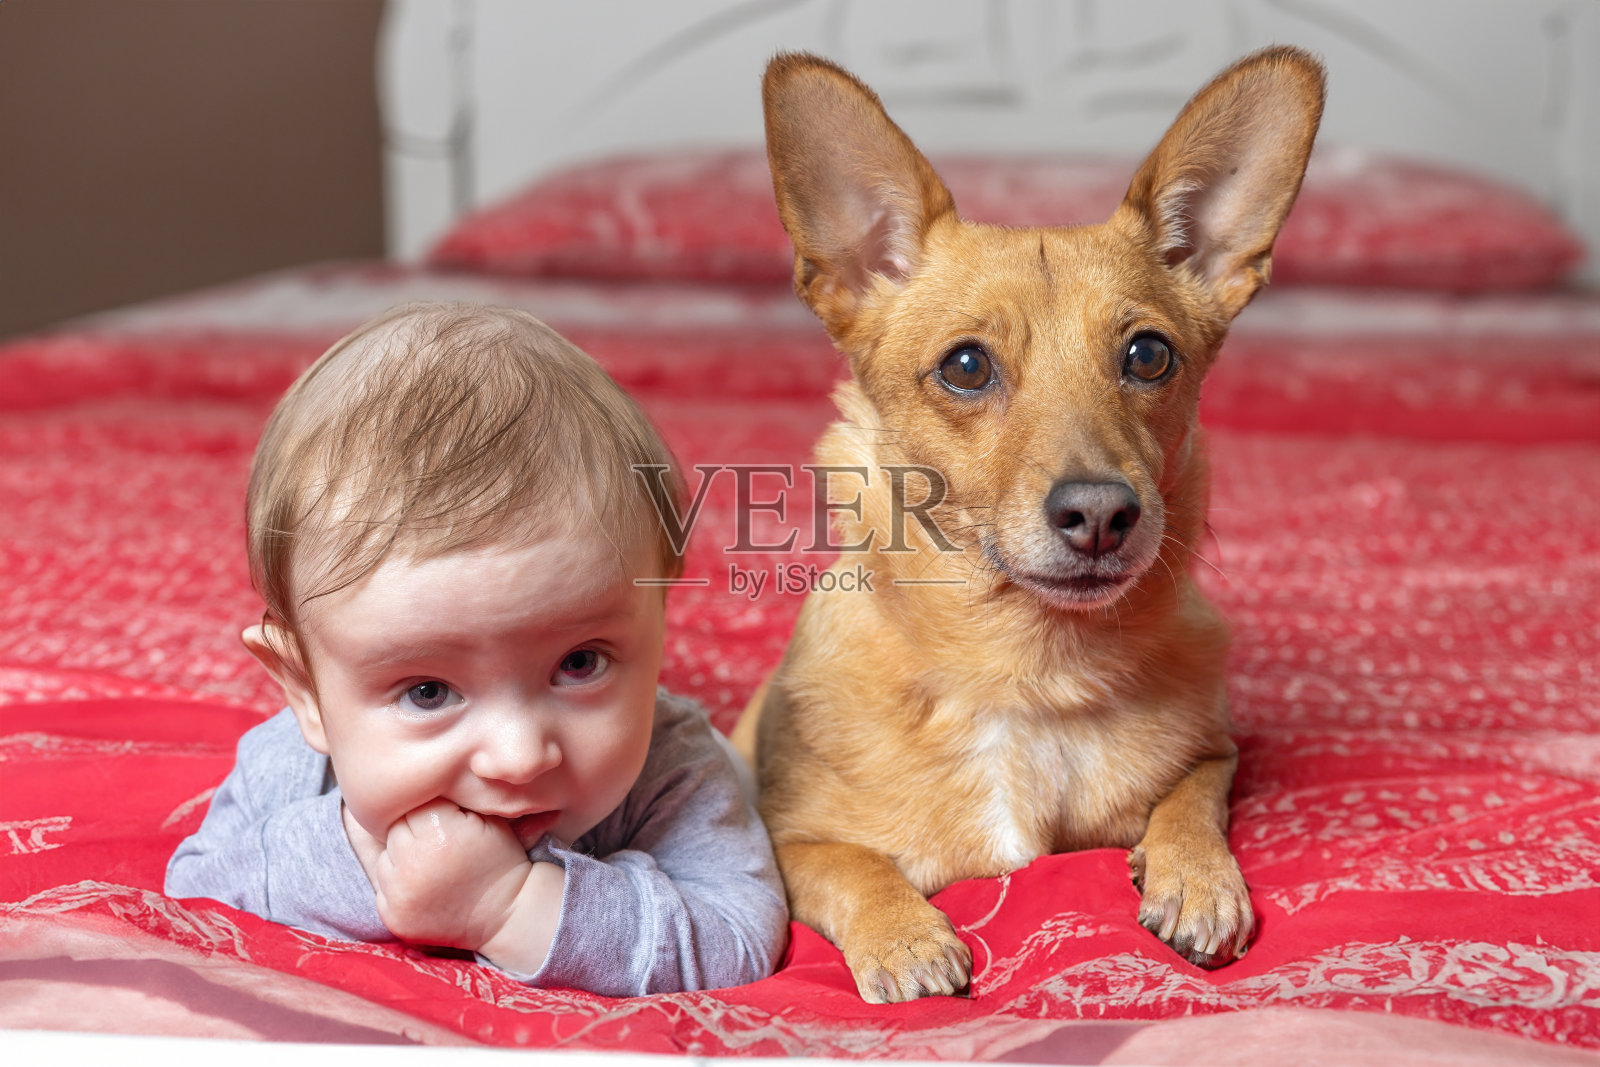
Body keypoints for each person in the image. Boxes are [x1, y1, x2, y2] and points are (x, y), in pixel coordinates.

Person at [167, 303, 787, 995]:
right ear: (305, 690)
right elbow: (196, 889)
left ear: (658, 621)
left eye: (579, 662)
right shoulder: (291, 770)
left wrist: (507, 907)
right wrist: (359, 860)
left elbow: (737, 934)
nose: (520, 756)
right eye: (428, 691)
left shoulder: (674, 768)